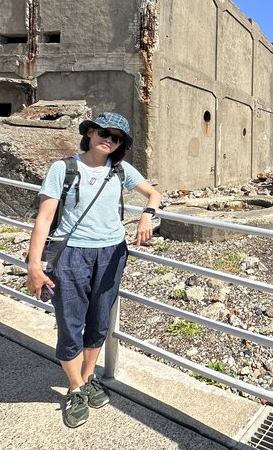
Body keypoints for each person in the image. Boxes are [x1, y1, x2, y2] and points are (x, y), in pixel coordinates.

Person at [26, 113, 162, 428]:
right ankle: (75, 387)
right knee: (70, 322)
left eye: (116, 138)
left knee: (99, 320)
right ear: (89, 133)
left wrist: (147, 214)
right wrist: (34, 264)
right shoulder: (63, 168)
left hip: (113, 252)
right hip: (72, 253)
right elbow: (44, 218)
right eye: (103, 133)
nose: (108, 140)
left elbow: (154, 193)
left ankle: (87, 377)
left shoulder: (121, 169)